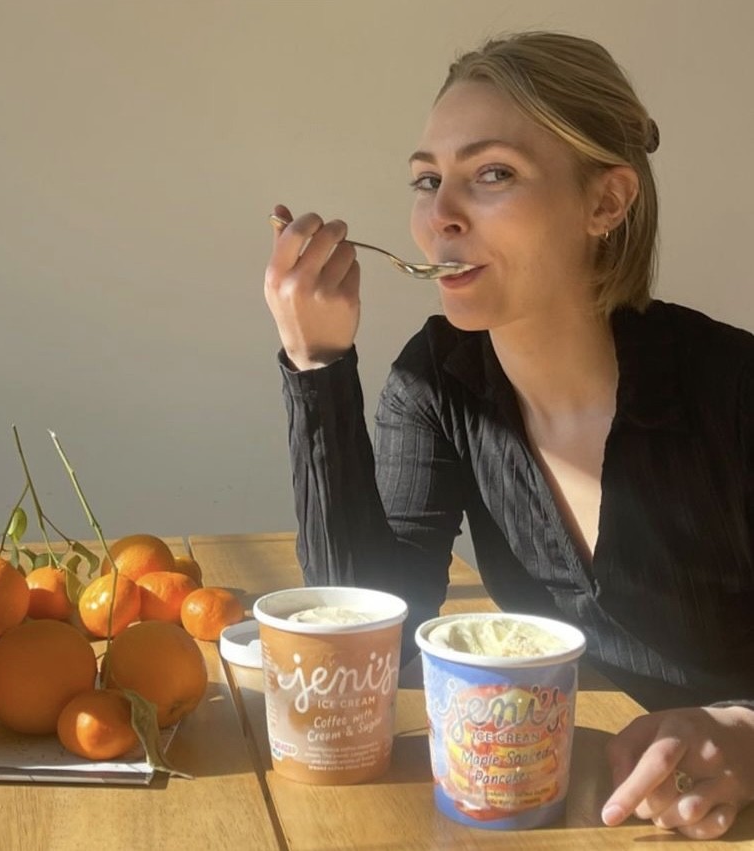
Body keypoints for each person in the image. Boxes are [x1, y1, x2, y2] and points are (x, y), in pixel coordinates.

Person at [263, 31, 753, 840]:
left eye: (492, 174)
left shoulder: (732, 393)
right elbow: (368, 626)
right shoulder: (438, 381)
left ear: (606, 202)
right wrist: (316, 363)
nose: (439, 217)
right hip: (581, 809)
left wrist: (744, 729)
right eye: (428, 180)